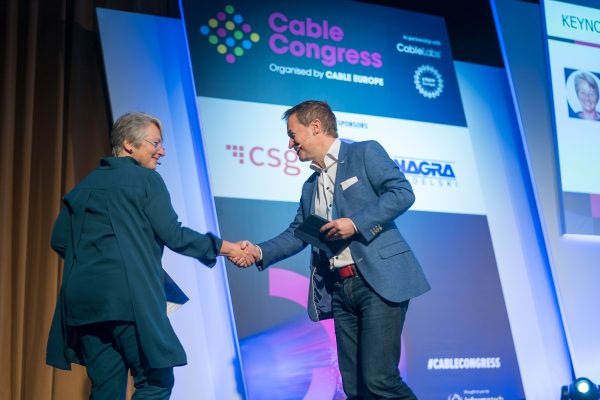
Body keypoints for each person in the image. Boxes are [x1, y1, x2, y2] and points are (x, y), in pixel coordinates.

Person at [46, 112, 254, 399]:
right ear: (129, 145)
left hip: (83, 305)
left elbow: (59, 240)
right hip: (127, 300)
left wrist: (100, 260)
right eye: (155, 142)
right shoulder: (147, 180)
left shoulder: (83, 188)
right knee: (155, 382)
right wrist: (229, 248)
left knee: (106, 389)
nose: (162, 150)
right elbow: (174, 235)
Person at [236, 101, 430, 399]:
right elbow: (298, 234)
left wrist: (355, 223)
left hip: (378, 283)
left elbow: (402, 193)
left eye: (292, 134)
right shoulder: (309, 186)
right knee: (354, 388)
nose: (290, 144)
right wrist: (257, 252)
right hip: (340, 290)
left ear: (315, 127)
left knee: (380, 380)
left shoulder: (364, 152)